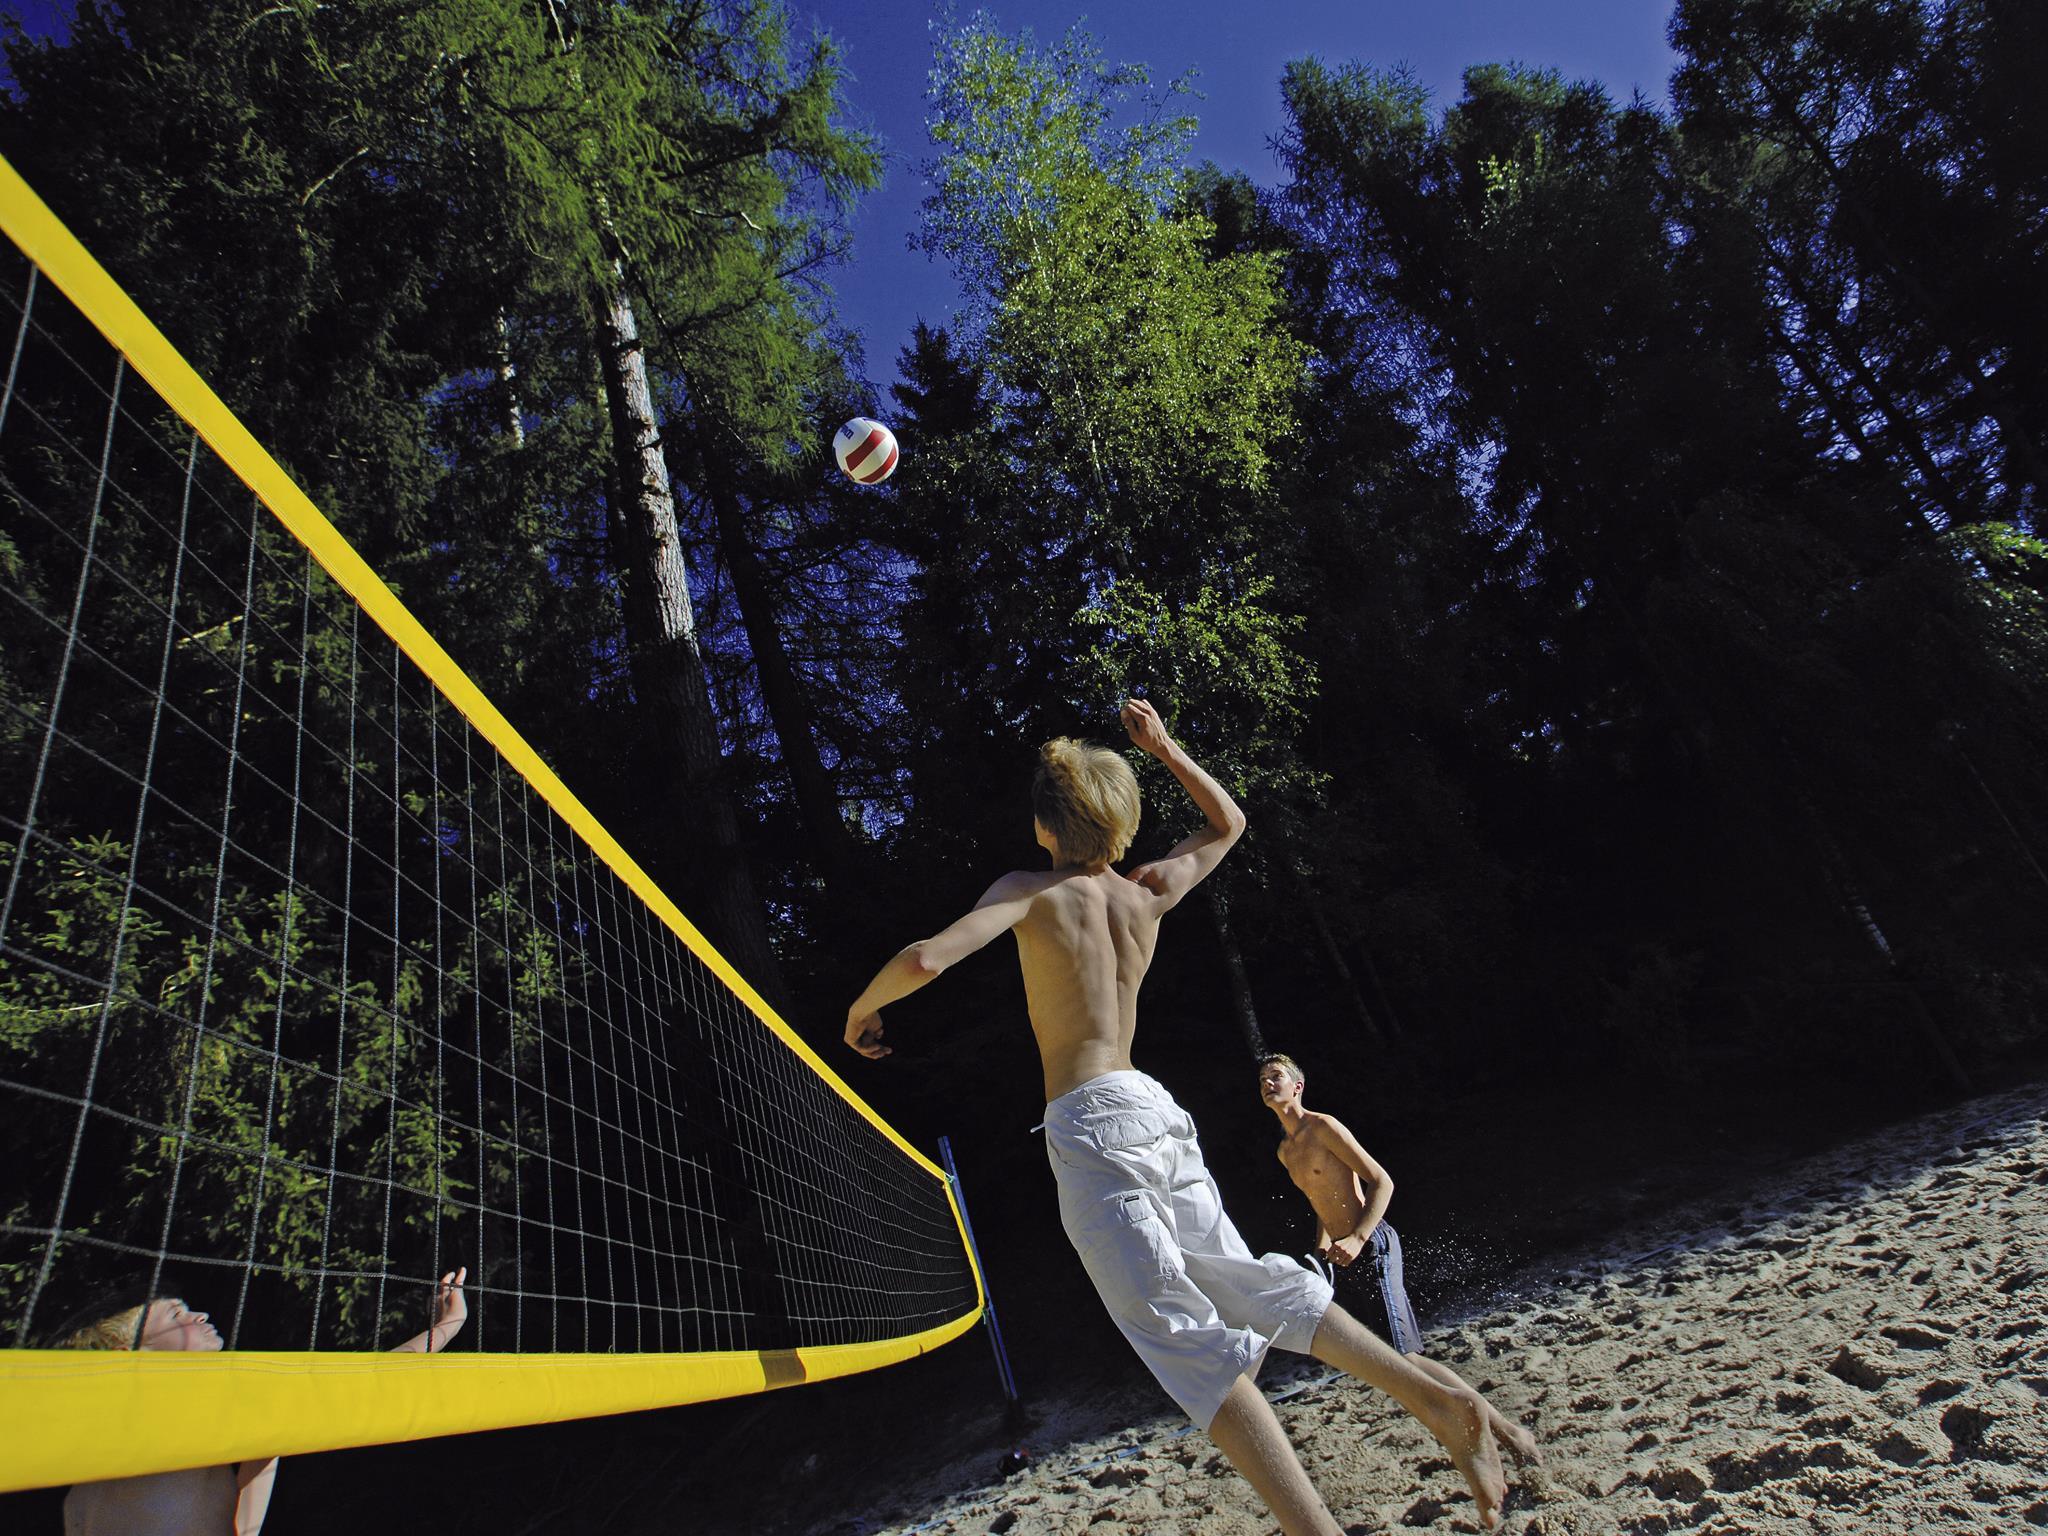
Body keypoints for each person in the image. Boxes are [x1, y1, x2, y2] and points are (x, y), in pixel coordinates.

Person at [845, 697, 1518, 1534]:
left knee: (1185, 1346)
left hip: (1091, 1120)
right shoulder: (1145, 893)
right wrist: (1163, 747)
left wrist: (861, 1010)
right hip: (1154, 1107)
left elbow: (923, 958)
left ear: (1043, 828)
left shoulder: (1032, 890)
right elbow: (1229, 820)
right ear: (1121, 826)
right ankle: (1440, 1404)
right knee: (1251, 1287)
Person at [1258, 1053, 1539, 1463]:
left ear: (1297, 1086)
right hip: (1344, 1257)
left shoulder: (1324, 1127)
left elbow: (1381, 1181)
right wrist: (1321, 1248)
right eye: (1263, 1078)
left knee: (1405, 1358)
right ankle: (1485, 1432)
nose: (1268, 1083)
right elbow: (1319, 1200)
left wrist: (1357, 1236)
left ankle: (1507, 1432)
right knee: (1395, 1361)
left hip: (1373, 1245)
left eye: (1276, 1076)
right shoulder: (1285, 1151)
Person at [52, 1266, 468, 1534]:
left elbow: (243, 1521)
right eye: (176, 1315)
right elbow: (363, 1383)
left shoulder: (121, 1419)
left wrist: (448, 1325)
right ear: (131, 1355)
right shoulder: (184, 1407)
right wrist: (449, 1326)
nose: (198, 1315)